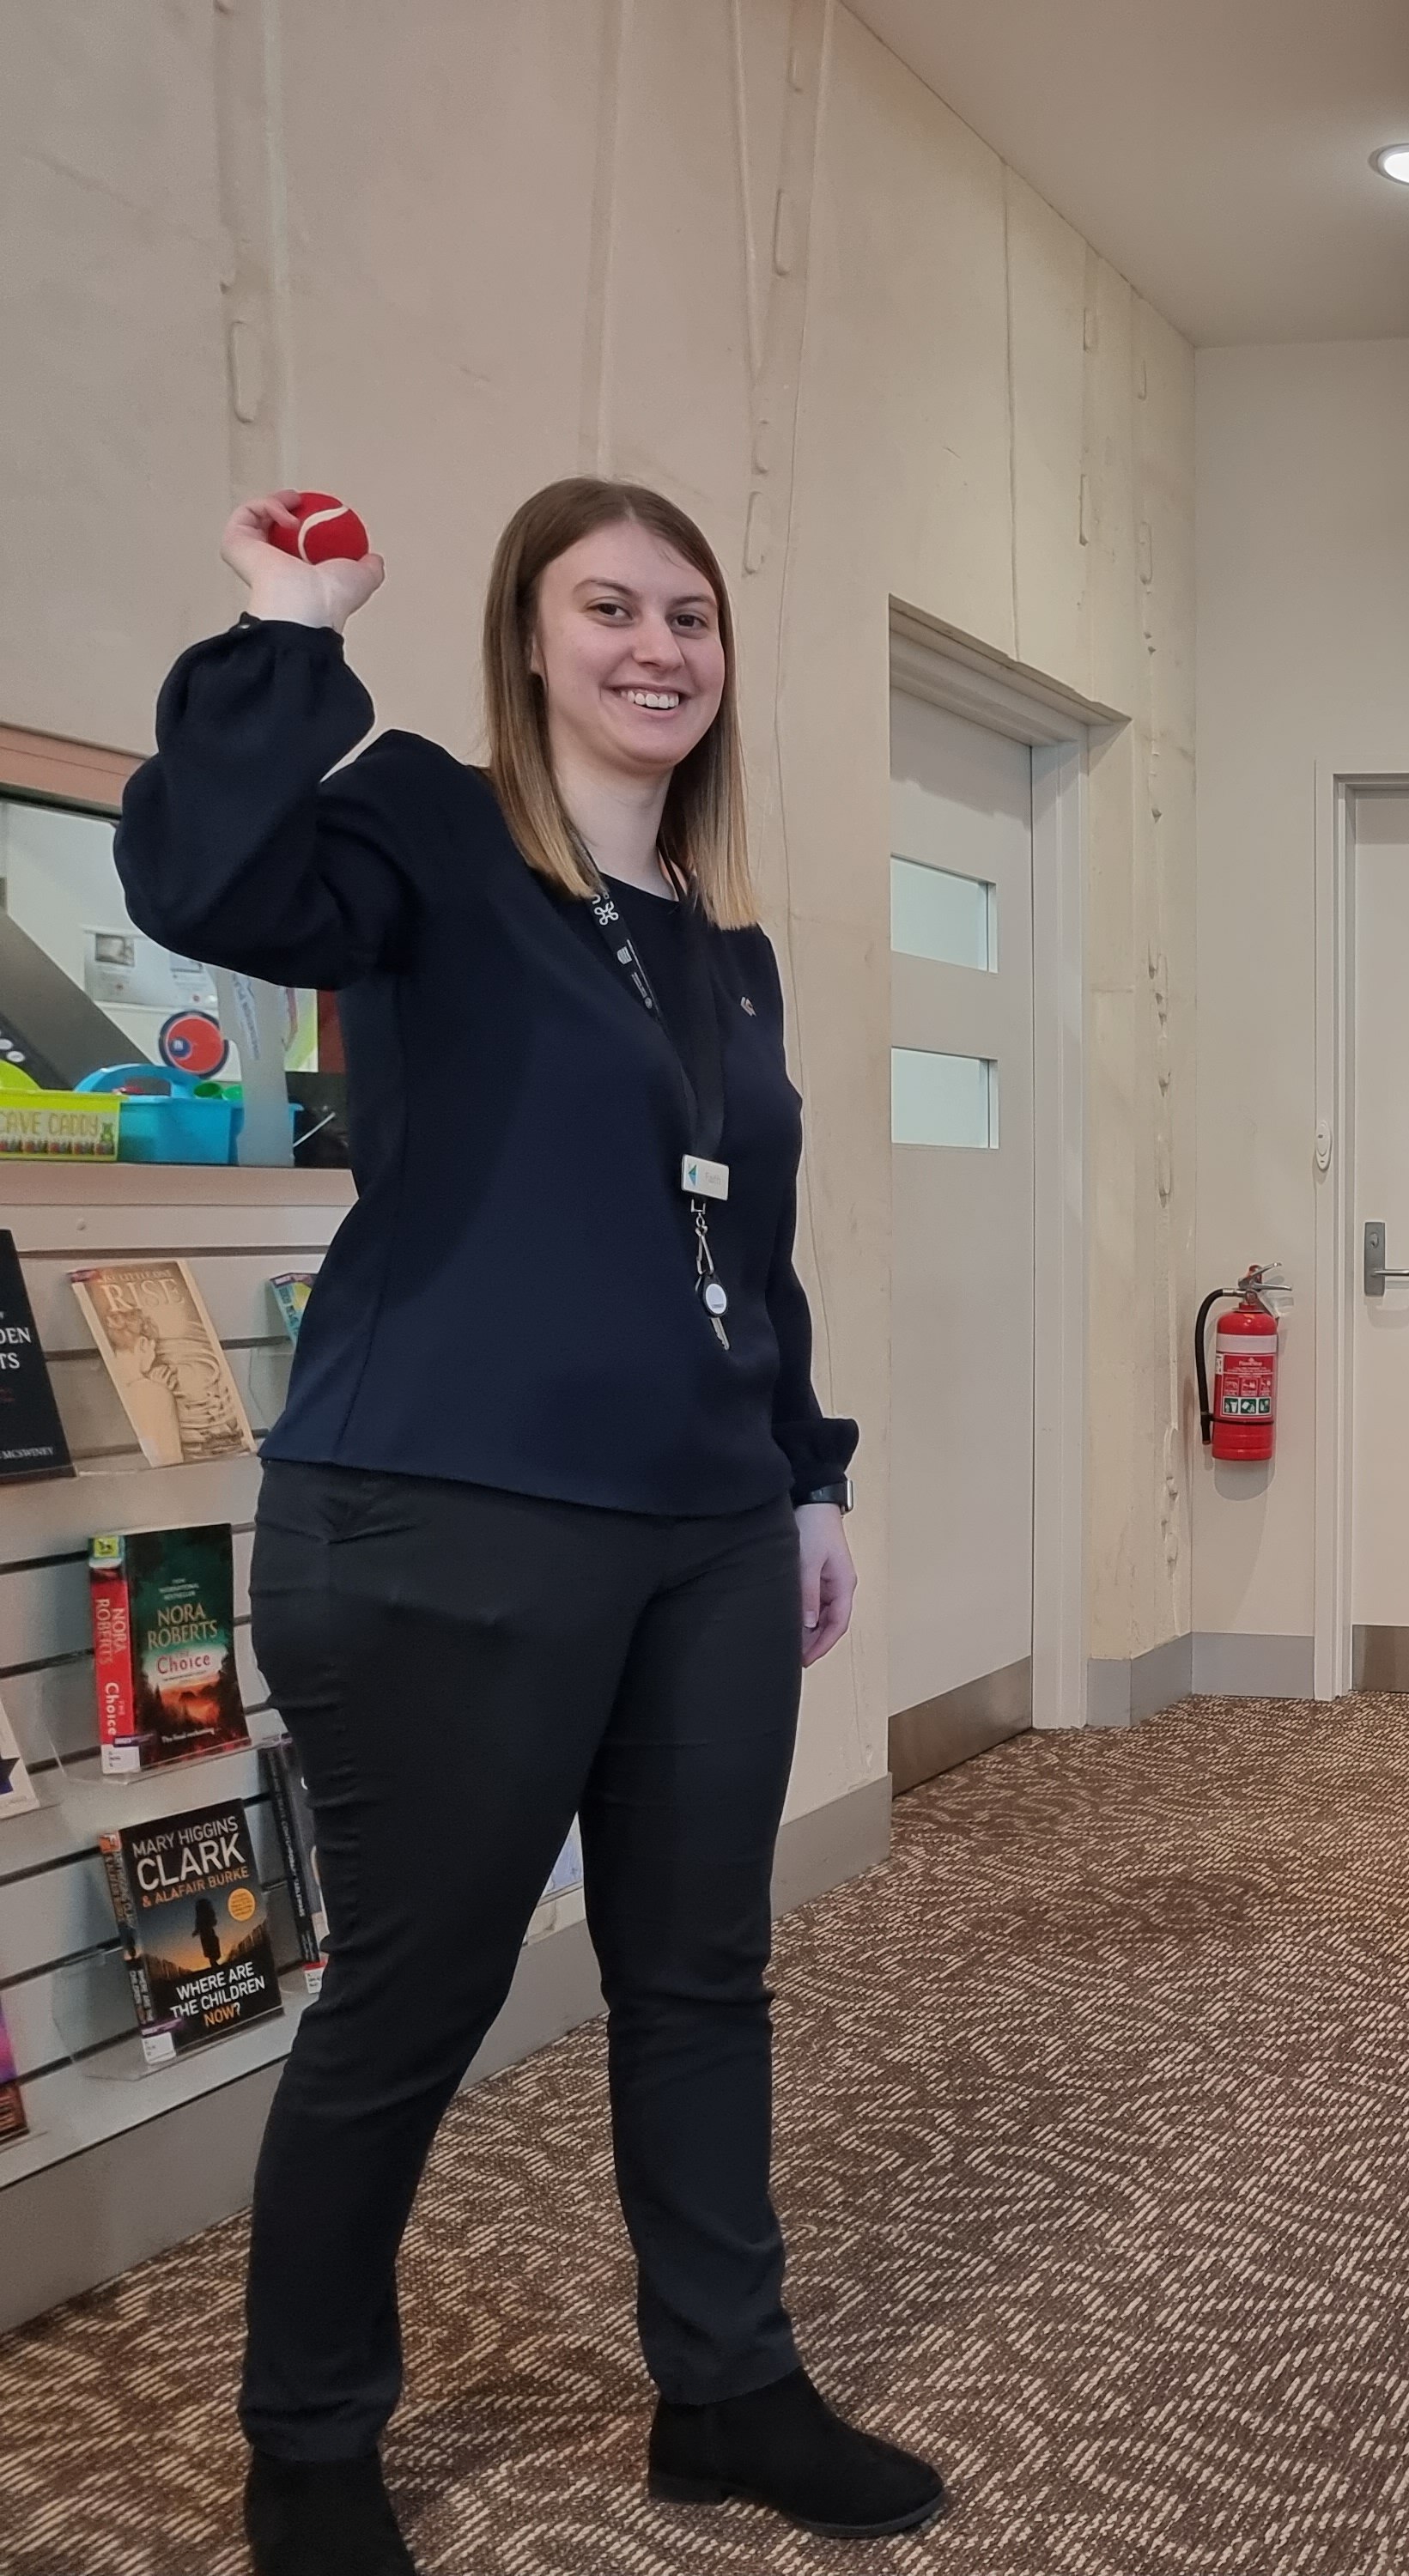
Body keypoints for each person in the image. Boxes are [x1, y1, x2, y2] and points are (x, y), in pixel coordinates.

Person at [117, 485, 944, 2576]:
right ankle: (309, 2444)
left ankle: (726, 2387)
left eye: (691, 615)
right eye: (610, 608)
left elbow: (747, 1244)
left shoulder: (722, 952)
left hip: (708, 1531)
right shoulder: (425, 828)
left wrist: (809, 1472)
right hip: (444, 1512)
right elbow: (206, 876)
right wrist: (289, 627)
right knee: (418, 1995)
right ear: (530, 637)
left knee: (700, 1974)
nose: (658, 647)